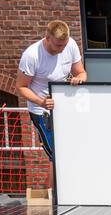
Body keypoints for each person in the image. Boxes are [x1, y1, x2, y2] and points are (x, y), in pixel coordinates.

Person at [17, 20, 87, 162]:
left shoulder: (71, 45)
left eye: (64, 45)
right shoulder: (32, 55)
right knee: (56, 155)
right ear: (47, 38)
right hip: (42, 111)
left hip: (65, 106)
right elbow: (21, 87)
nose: (62, 49)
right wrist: (41, 102)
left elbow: (81, 73)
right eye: (58, 45)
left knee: (72, 151)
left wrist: (79, 79)